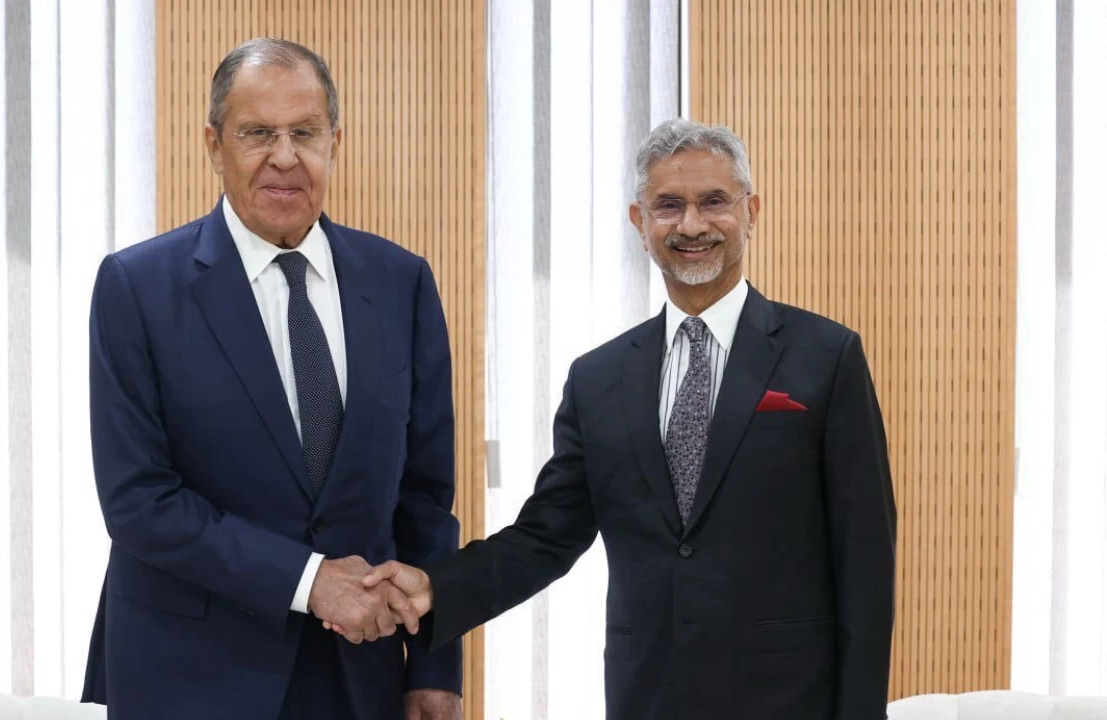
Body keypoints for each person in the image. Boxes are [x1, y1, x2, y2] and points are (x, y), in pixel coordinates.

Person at [357, 119, 897, 719]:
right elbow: (545, 537)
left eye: (714, 201)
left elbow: (865, 562)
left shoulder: (827, 357)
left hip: (790, 701)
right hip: (649, 698)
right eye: (669, 205)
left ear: (752, 212)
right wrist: (438, 589)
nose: (691, 224)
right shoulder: (599, 379)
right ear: (640, 224)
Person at [79, 38, 462, 720]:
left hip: (356, 677)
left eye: (305, 133)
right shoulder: (136, 287)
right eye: (257, 133)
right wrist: (309, 580)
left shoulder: (401, 282)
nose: (284, 156)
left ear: (335, 142)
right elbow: (139, 500)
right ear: (213, 143)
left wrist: (435, 668)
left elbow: (426, 500)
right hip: (187, 677)